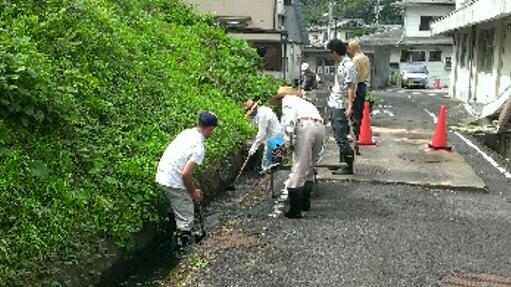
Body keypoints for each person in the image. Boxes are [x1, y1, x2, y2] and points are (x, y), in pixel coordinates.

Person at [155, 111, 218, 250]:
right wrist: (193, 192)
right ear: (210, 128)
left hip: (162, 175)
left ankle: (172, 230)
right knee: (186, 218)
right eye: (213, 130)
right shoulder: (199, 147)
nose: (212, 133)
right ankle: (181, 250)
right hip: (173, 181)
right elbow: (185, 174)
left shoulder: (187, 133)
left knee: (178, 208)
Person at [273, 86, 326, 218]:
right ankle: (305, 203)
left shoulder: (288, 101)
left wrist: (288, 142)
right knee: (309, 166)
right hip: (320, 127)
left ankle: (295, 210)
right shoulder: (305, 103)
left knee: (298, 168)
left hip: (305, 127)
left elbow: (289, 123)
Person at [326, 39, 357, 175]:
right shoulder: (341, 64)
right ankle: (342, 163)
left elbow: (350, 87)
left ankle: (348, 167)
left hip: (341, 104)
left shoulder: (348, 65)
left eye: (330, 52)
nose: (330, 55)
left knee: (341, 136)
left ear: (334, 52)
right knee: (337, 133)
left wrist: (349, 106)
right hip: (335, 102)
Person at [243, 100, 285, 172]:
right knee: (268, 161)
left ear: (254, 109)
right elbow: (252, 125)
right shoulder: (258, 113)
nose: (250, 115)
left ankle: (271, 171)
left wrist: (253, 148)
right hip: (270, 135)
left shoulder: (262, 115)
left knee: (269, 162)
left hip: (275, 137)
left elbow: (261, 134)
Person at [348, 39, 370, 154]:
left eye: (349, 48)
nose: (348, 50)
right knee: (359, 114)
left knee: (353, 114)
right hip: (363, 86)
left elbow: (353, 78)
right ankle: (356, 137)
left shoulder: (355, 60)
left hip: (356, 86)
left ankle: (354, 141)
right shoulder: (365, 58)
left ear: (353, 48)